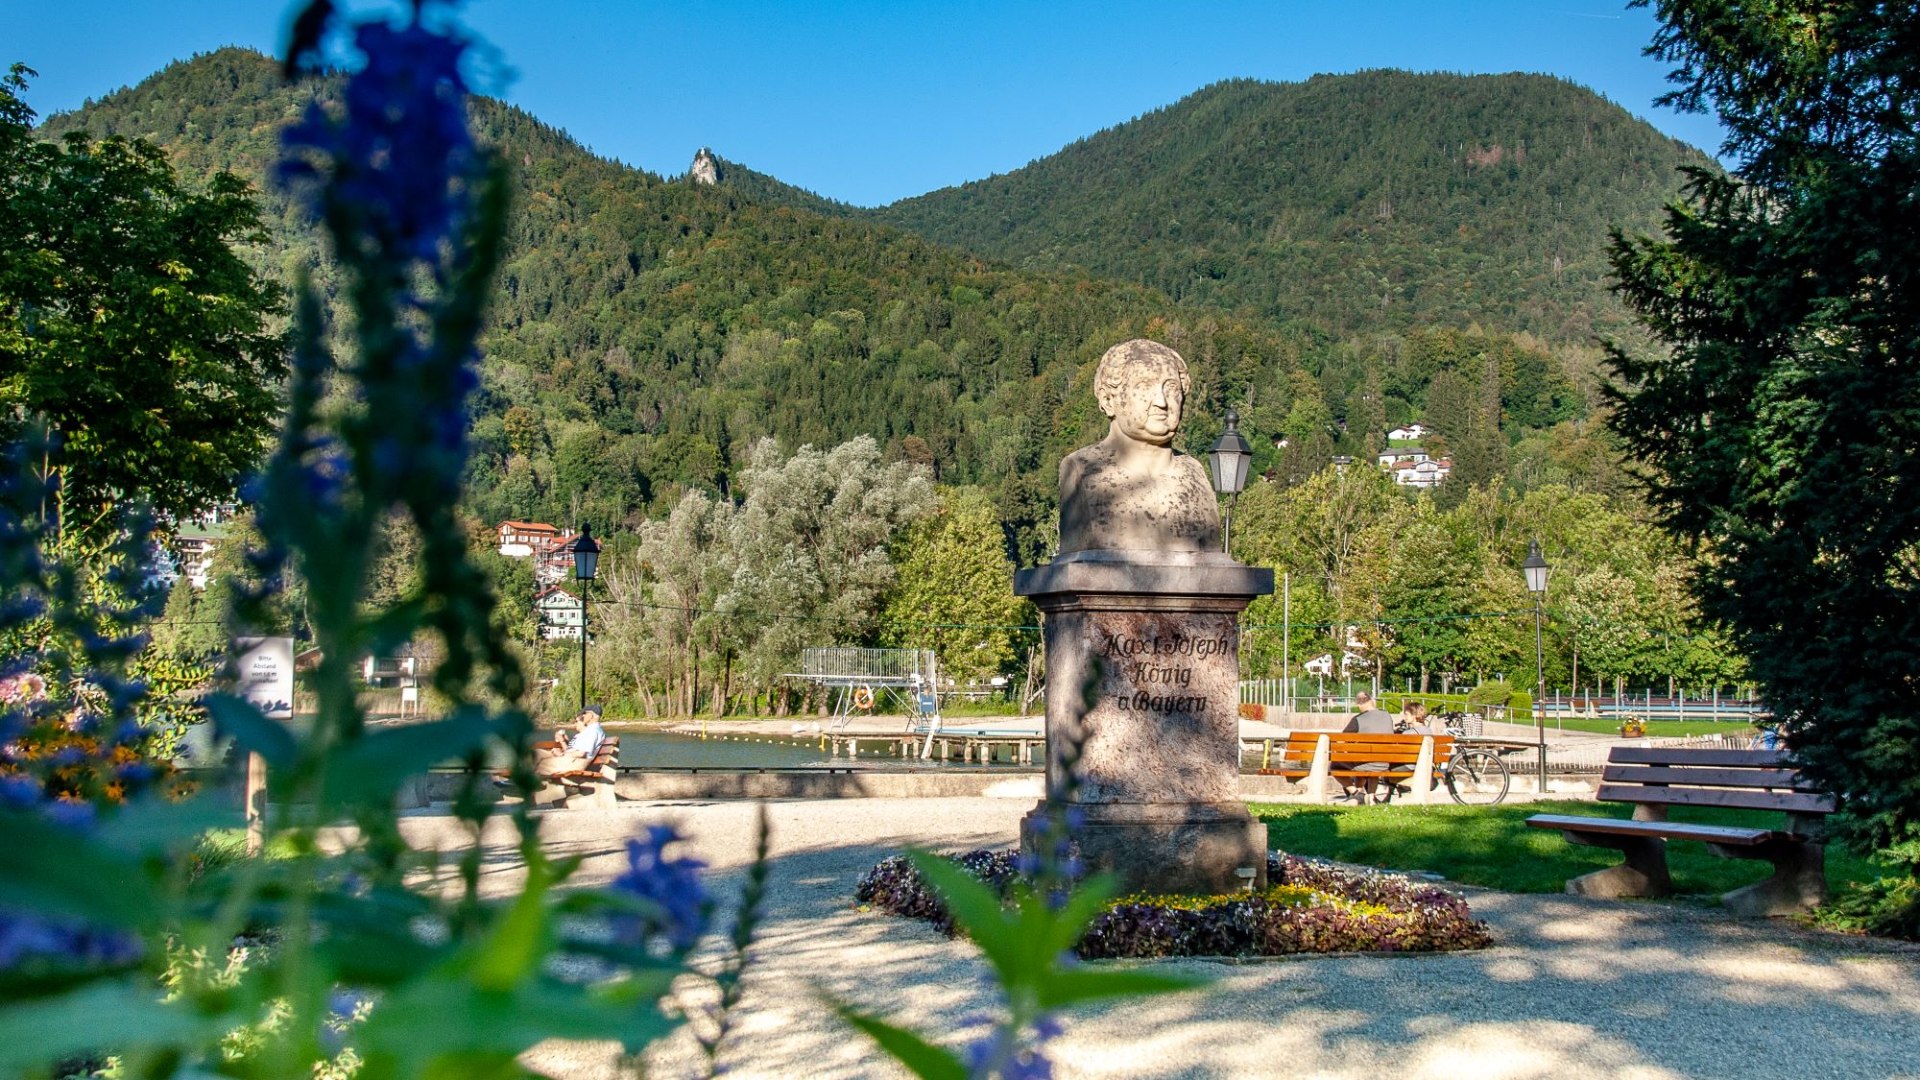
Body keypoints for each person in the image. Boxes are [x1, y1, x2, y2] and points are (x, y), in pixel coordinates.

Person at [1057, 339, 1221, 554]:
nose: (1161, 402)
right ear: (1108, 400)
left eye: (1171, 388)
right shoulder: (1083, 470)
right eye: (1144, 386)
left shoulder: (1194, 475)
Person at [535, 706, 607, 778]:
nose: (583, 716)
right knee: (536, 754)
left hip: (576, 762)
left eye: (584, 713)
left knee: (543, 764)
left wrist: (562, 754)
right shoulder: (591, 730)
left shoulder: (593, 731)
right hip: (572, 760)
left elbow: (581, 753)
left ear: (591, 715)